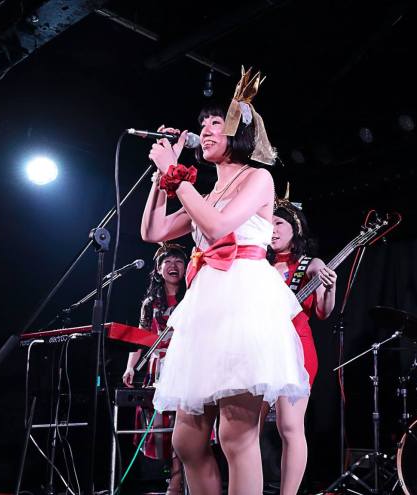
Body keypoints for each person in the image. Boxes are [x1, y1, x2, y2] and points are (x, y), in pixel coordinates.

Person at [140, 67, 311, 495]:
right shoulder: (207, 193)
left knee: (236, 435)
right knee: (186, 440)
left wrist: (175, 174)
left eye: (215, 122)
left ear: (239, 132)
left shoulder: (258, 178)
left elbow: (217, 227)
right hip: (207, 308)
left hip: (245, 301)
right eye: (202, 124)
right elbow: (153, 231)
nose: (205, 130)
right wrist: (162, 177)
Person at [266, 197, 337, 495]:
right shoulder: (257, 265)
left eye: (279, 223)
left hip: (296, 350)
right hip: (260, 349)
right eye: (267, 223)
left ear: (295, 228)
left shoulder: (310, 264)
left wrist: (329, 287)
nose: (272, 229)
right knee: (246, 429)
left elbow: (323, 312)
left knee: (290, 427)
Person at [121, 243, 187, 494]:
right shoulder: (150, 303)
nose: (173, 265)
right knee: (162, 426)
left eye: (178, 261)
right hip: (158, 368)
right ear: (158, 269)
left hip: (186, 365)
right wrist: (130, 368)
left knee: (185, 423)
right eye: (167, 261)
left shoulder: (192, 297)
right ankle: (173, 478)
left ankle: (178, 483)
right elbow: (140, 337)